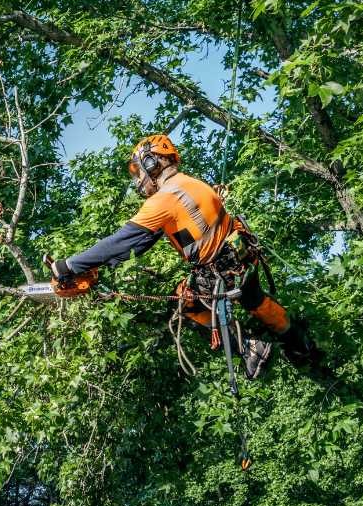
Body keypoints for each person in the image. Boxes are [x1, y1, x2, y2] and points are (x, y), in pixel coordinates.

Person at [44, 134, 317, 378]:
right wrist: (100, 268)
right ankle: (302, 346)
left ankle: (250, 347)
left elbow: (120, 241)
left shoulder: (165, 199)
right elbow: (141, 242)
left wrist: (68, 265)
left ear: (152, 163)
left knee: (186, 303)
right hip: (242, 260)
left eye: (138, 170)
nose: (138, 180)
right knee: (256, 301)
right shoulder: (191, 184)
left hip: (219, 271)